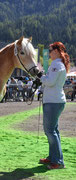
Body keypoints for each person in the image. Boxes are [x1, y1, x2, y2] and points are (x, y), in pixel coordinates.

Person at [38, 42, 70, 170]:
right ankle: (53, 157)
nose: (49, 53)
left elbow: (50, 82)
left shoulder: (57, 65)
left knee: (50, 131)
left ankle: (58, 161)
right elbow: (49, 81)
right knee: (53, 131)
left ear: (56, 51)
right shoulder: (57, 64)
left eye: (50, 50)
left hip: (53, 101)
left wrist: (40, 76)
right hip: (53, 100)